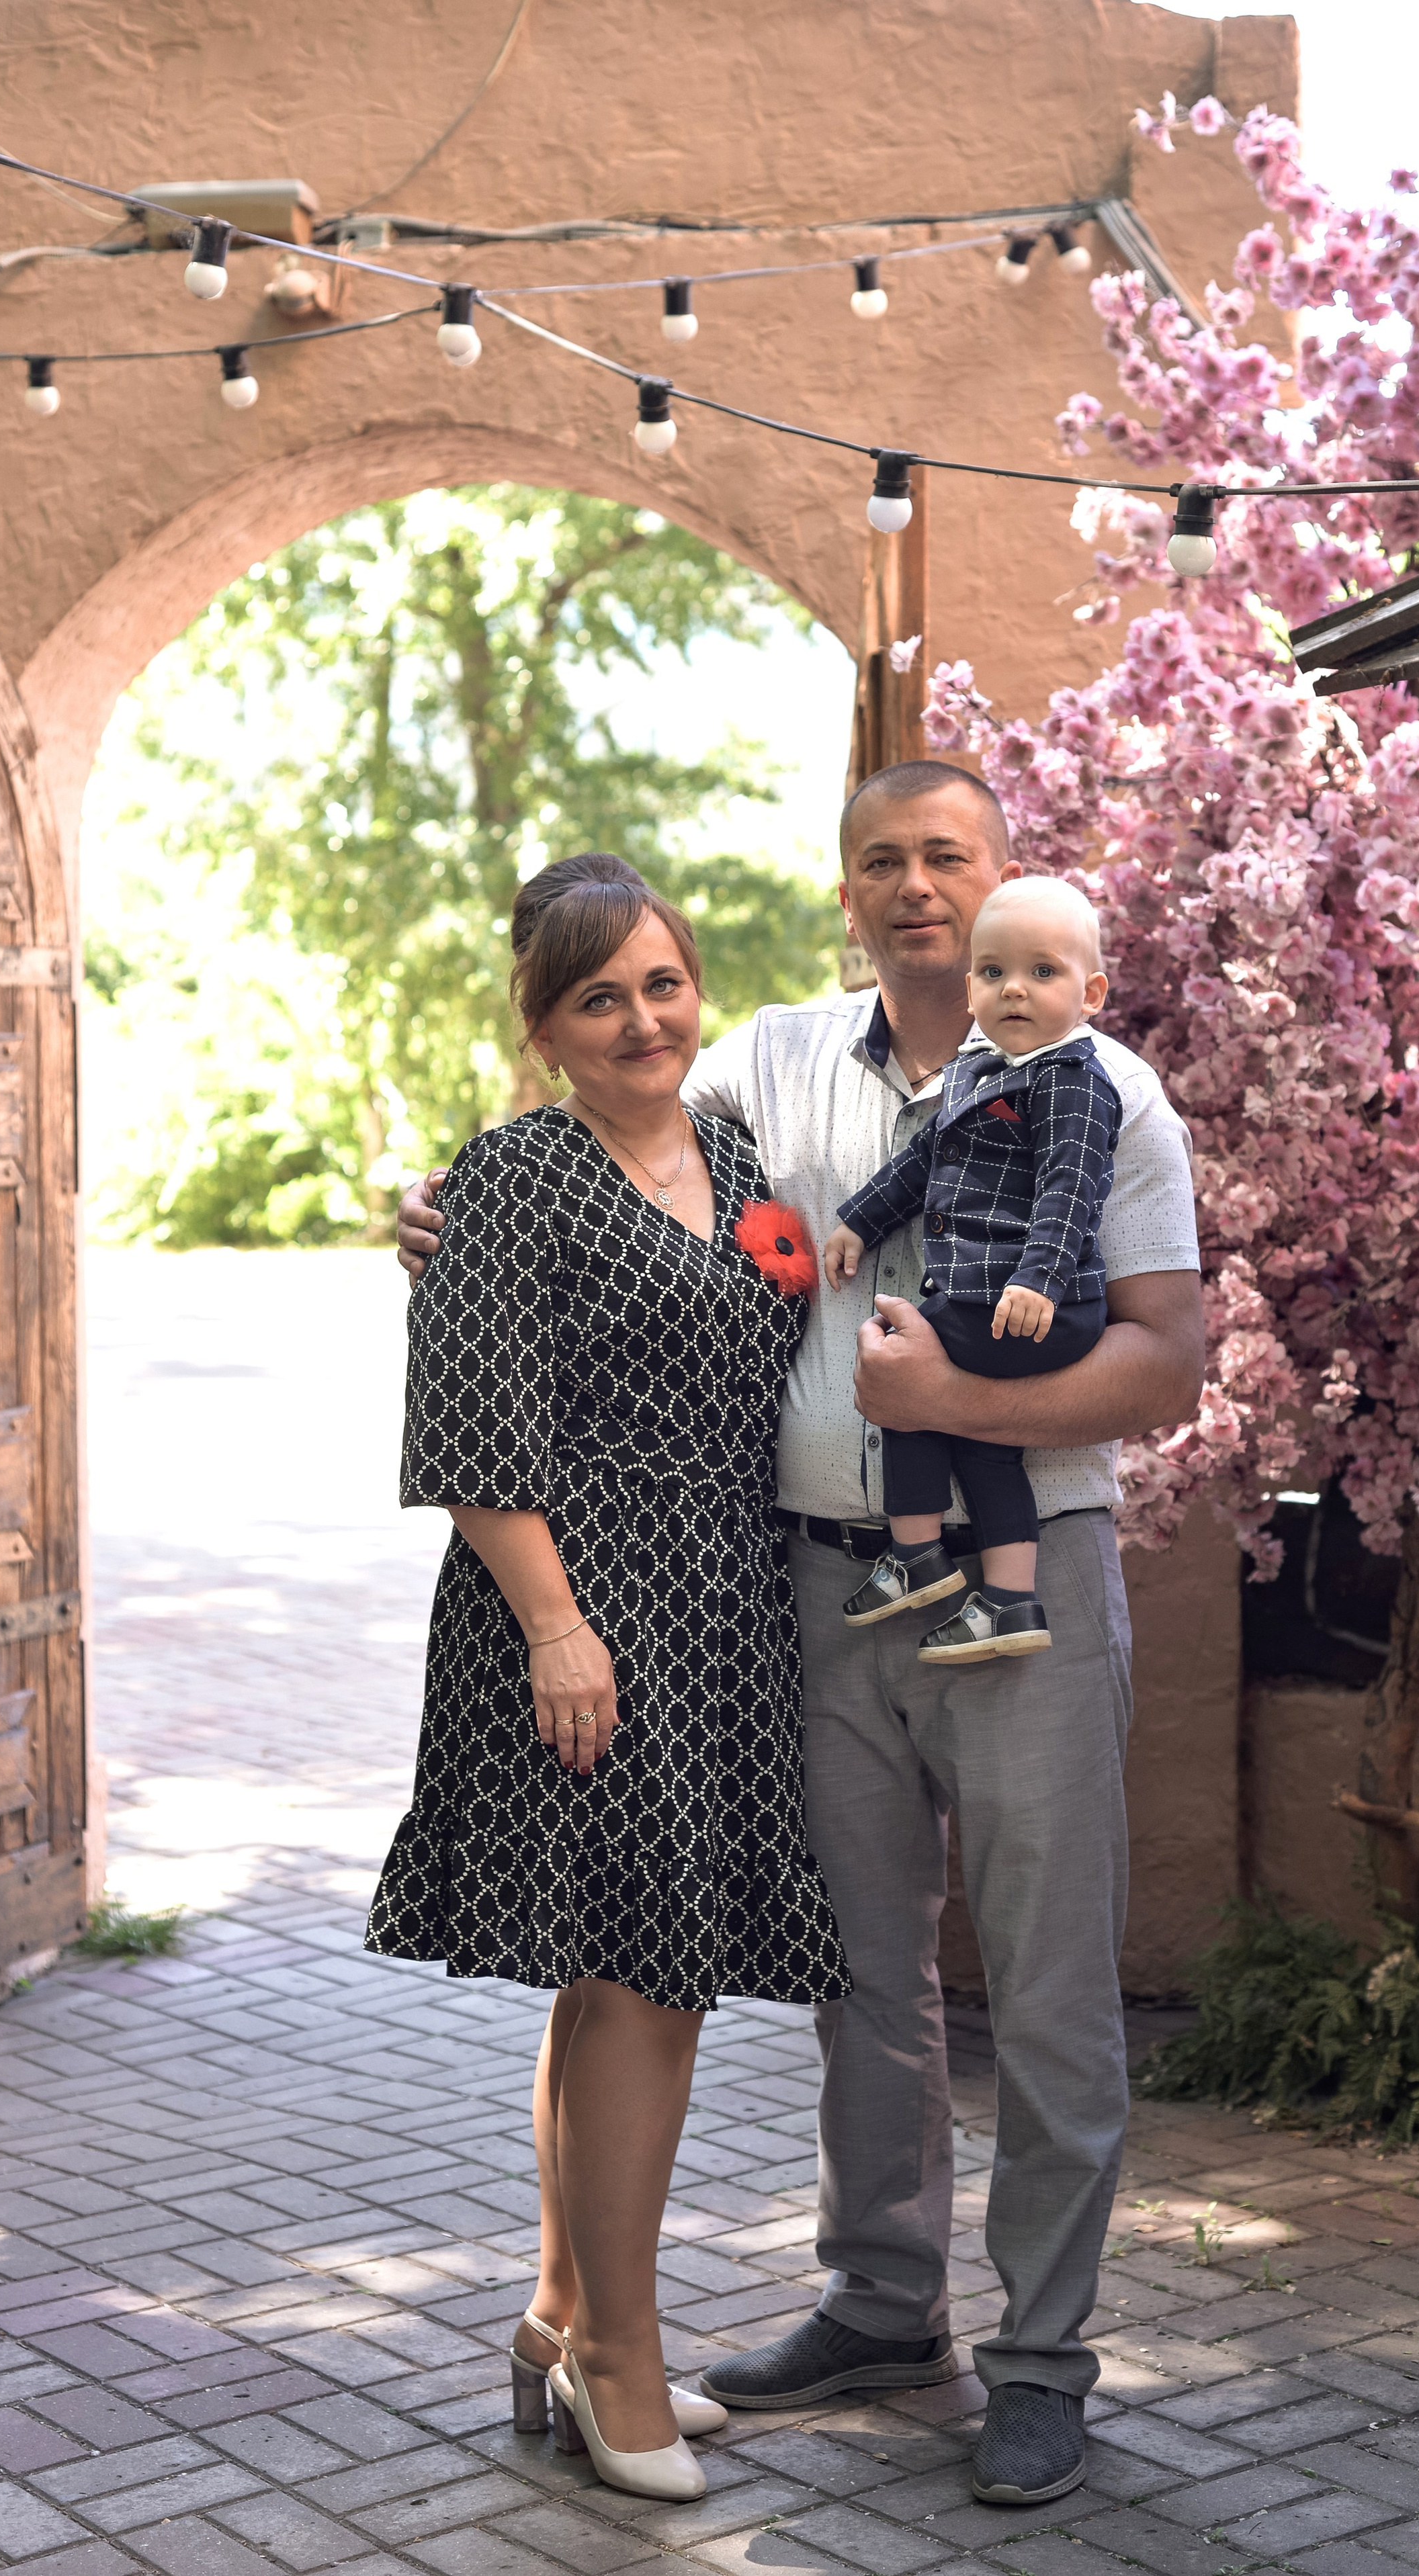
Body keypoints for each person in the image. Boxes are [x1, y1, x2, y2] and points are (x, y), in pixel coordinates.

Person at [396, 763, 1203, 2510]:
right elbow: (613, 1151)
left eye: (949, 859)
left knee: (1048, 1992)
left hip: (1024, 1580)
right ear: (847, 891)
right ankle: (883, 2302)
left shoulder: (1103, 1090)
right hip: (807, 1594)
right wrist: (447, 1223)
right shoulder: (772, 1064)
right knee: (861, 1989)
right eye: (882, 862)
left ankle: (1043, 2359)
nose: (917, 889)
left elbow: (1166, 1359)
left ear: (1005, 883)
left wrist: (975, 1408)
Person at [368, 850, 850, 2506]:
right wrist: (560, 1628)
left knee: (627, 1972)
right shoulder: (507, 1177)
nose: (641, 1016)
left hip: (722, 1607)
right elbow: (471, 1437)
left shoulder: (730, 1155)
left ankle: (566, 2306)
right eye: (599, 995)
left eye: (660, 981)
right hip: (576, 1609)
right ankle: (621, 2357)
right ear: (547, 1023)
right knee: (641, 1975)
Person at [822, 876, 1119, 1664]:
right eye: (991, 973)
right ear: (970, 987)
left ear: (1090, 993)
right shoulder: (976, 1070)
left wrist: (1038, 1280)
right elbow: (922, 1161)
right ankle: (1009, 1599)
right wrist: (859, 1216)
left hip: (1034, 1300)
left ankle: (916, 1551)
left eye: (1042, 973)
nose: (1013, 990)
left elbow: (1073, 1186)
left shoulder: (1073, 1081)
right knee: (985, 1449)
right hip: (997, 1297)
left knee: (901, 1367)